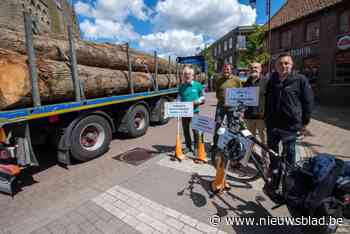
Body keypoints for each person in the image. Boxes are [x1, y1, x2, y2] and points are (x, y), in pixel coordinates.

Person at [265, 54, 314, 165]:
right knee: (272, 149)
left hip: (290, 124)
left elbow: (308, 102)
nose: (283, 66)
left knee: (289, 151)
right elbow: (267, 99)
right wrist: (265, 117)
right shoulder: (271, 80)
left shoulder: (300, 79)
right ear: (276, 66)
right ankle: (274, 169)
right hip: (272, 123)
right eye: (280, 63)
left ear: (291, 65)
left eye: (286, 63)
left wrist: (304, 122)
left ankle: (289, 174)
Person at [212, 63, 242, 150]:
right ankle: (216, 145)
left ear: (231, 70)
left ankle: (231, 145)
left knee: (232, 126)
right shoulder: (219, 80)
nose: (226, 71)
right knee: (217, 124)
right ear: (222, 70)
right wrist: (222, 99)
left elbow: (241, 92)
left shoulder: (236, 80)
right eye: (224, 69)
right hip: (221, 106)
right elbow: (217, 92)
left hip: (232, 106)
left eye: (228, 69)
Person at [178, 66, 205, 154]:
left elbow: (203, 97)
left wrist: (197, 101)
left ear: (192, 75)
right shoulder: (181, 86)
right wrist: (176, 105)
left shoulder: (198, 85)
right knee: (185, 130)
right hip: (184, 112)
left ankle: (196, 147)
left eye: (189, 74)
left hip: (194, 111)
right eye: (185, 74)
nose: (187, 76)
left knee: (195, 130)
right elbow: (179, 97)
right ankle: (188, 147)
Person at [243, 62, 269, 151]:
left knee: (264, 141)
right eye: (251, 68)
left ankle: (265, 160)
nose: (253, 69)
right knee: (250, 139)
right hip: (249, 116)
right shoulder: (246, 82)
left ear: (260, 69)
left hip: (261, 117)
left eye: (256, 67)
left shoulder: (266, 81)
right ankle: (253, 157)